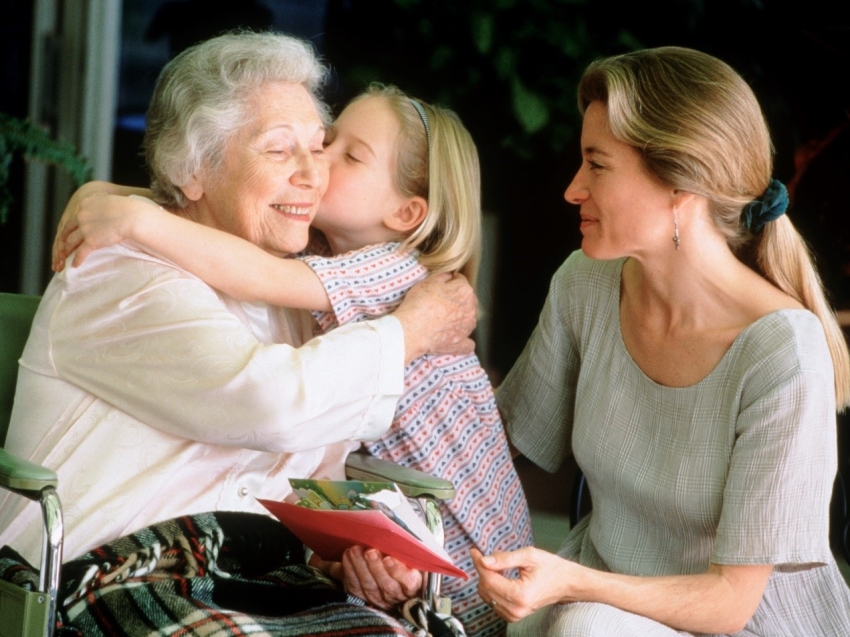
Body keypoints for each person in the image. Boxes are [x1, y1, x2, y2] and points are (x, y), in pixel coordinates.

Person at [0, 31, 478, 635]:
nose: (314, 175)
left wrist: (345, 559)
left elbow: (309, 476)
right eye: (280, 151)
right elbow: (270, 402)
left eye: (320, 147)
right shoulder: (118, 271)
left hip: (259, 576)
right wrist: (410, 330)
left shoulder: (295, 288)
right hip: (118, 574)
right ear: (192, 170)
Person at [471, 46, 850, 636]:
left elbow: (730, 603)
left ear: (681, 183)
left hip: (737, 626)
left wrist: (573, 583)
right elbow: (499, 455)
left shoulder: (782, 352)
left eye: (597, 165)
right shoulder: (585, 285)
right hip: (597, 606)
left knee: (582, 628)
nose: (573, 189)